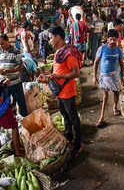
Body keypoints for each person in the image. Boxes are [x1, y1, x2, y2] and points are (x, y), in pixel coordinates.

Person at [38, 26, 82, 157]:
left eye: (51, 38)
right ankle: (68, 138)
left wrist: (58, 76)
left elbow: (76, 73)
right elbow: (58, 72)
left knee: (73, 118)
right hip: (60, 92)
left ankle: (78, 144)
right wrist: (47, 78)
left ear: (58, 37)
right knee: (65, 116)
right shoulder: (59, 52)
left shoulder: (68, 53)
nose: (50, 40)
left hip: (67, 92)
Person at [93, 29, 124, 128]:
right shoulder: (102, 49)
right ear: (107, 39)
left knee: (116, 92)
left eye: (115, 40)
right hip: (104, 76)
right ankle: (101, 117)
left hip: (115, 75)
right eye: (111, 39)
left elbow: (121, 63)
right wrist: (94, 76)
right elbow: (96, 63)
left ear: (117, 40)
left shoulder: (118, 50)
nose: (112, 42)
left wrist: (122, 76)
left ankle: (115, 108)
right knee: (105, 96)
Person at [0, 34, 28, 117]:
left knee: (21, 103)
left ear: (7, 41)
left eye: (2, 43)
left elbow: (20, 66)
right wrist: (0, 70)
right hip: (4, 83)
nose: (0, 46)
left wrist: (9, 71)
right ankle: (11, 120)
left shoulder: (16, 51)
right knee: (6, 104)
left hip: (16, 82)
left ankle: (25, 120)